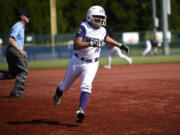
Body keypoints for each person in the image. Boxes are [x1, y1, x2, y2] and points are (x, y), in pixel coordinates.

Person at [53, 5, 129, 123]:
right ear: (90, 17)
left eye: (101, 17)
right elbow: (76, 45)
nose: (100, 20)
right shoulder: (84, 27)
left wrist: (120, 45)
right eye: (97, 17)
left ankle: (80, 111)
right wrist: (91, 43)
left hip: (92, 64)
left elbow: (105, 38)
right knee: (65, 87)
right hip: (77, 61)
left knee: (86, 85)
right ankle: (59, 90)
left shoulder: (103, 30)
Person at [0, 10, 30, 98]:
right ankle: (17, 92)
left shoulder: (21, 26)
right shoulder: (18, 26)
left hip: (11, 50)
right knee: (24, 71)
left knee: (12, 73)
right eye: (26, 16)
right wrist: (21, 51)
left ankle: (17, 92)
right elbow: (11, 40)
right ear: (21, 17)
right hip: (14, 50)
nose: (28, 17)